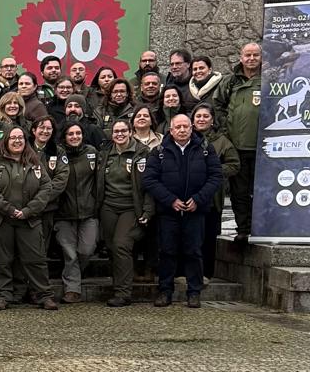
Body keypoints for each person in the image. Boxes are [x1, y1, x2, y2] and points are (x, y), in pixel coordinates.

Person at [142, 112, 223, 308]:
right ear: (171, 130)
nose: (181, 130)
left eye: (185, 126)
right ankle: (165, 291)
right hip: (169, 211)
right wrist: (170, 200)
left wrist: (198, 199)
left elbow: (215, 177)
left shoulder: (205, 149)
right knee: (167, 251)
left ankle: (194, 292)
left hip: (196, 210)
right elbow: (149, 179)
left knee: (194, 251)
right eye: (177, 127)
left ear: (191, 127)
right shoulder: (159, 151)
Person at [0, 126, 64, 311]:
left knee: (36, 259)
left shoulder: (35, 163)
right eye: (13, 138)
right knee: (1, 260)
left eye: (20, 138)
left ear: (26, 142)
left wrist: (28, 210)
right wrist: (8, 208)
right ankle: (3, 296)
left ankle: (44, 295)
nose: (17, 141)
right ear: (6, 141)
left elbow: (46, 188)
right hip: (1, 220)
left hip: (30, 219)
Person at [96, 117, 150, 307]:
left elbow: (149, 185)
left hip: (130, 207)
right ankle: (117, 285)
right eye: (116, 132)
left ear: (130, 132)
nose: (119, 134)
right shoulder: (105, 154)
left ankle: (123, 292)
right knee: (111, 247)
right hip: (108, 206)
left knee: (121, 245)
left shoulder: (142, 153)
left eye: (123, 131)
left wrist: (148, 210)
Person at [214, 41, 262, 245]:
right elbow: (217, 105)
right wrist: (227, 129)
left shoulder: (270, 79)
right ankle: (243, 228)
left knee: (261, 191)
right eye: (247, 55)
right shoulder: (230, 81)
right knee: (239, 191)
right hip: (236, 146)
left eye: (255, 55)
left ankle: (260, 226)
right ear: (241, 57)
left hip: (262, 147)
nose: (251, 59)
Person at [191, 103, 240, 277]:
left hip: (212, 198)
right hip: (187, 197)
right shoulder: (185, 137)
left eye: (205, 116)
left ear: (212, 120)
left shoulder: (222, 141)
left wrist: (214, 171)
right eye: (198, 116)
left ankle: (206, 274)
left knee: (208, 238)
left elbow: (234, 165)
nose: (201, 119)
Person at [54, 120, 99, 304]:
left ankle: (74, 276)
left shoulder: (91, 153)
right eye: (70, 134)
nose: (74, 137)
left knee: (86, 249)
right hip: (64, 212)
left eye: (78, 133)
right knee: (70, 253)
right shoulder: (57, 154)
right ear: (64, 136)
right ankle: (72, 289)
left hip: (89, 211)